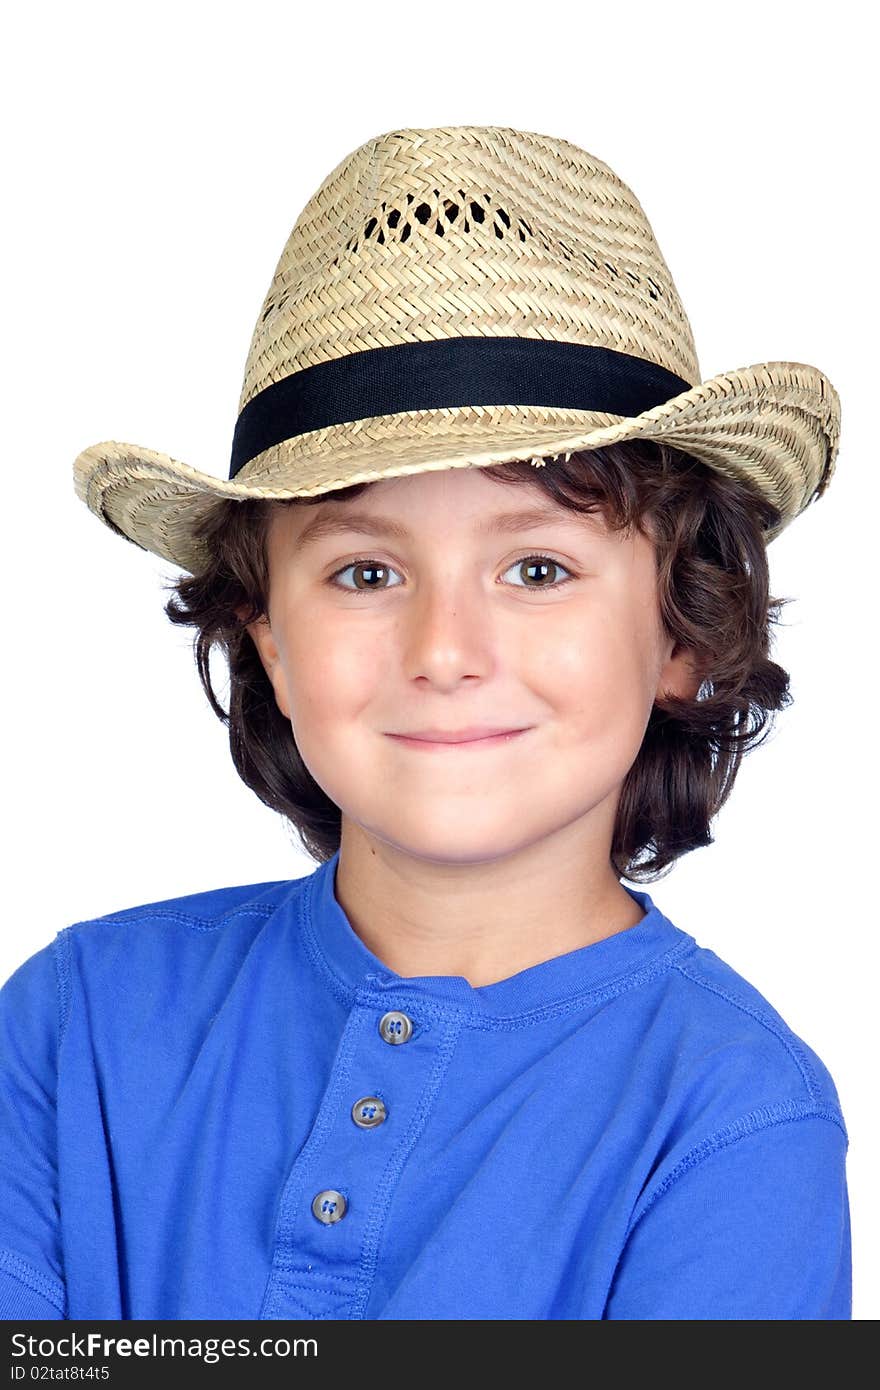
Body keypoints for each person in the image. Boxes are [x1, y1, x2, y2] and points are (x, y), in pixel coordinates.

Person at [0, 125, 850, 1321]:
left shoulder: (731, 1117)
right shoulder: (75, 1022)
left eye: (539, 569)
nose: (445, 651)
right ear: (267, 640)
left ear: (681, 633)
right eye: (363, 574)